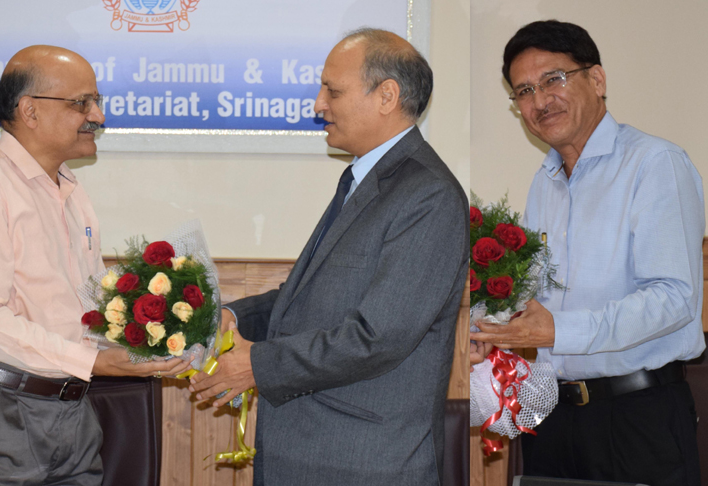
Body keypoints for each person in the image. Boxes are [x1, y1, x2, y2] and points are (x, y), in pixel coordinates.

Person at [189, 28, 468, 485]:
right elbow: (306, 299)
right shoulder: (364, 179)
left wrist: (257, 364)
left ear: (387, 96)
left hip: (366, 463)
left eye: (333, 91)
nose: (318, 104)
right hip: (313, 455)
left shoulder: (427, 195)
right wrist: (231, 317)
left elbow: (379, 336)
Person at [0, 45, 189, 485]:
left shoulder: (71, 191)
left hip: (72, 417)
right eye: (82, 103)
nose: (98, 116)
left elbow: (87, 313)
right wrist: (95, 361)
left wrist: (160, 338)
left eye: (97, 101)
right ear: (30, 111)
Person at [471, 20, 704, 486]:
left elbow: (675, 298)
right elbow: (537, 298)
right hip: (552, 417)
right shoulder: (545, 182)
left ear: (596, 79)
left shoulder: (654, 164)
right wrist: (494, 332)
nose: (540, 101)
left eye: (553, 80)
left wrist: (558, 330)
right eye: (524, 91)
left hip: (637, 417)